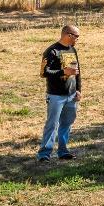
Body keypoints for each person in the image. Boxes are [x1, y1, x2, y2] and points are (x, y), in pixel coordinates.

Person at [38, 24, 82, 161]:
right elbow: (44, 72)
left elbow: (77, 72)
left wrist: (79, 89)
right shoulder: (52, 51)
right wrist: (63, 72)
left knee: (66, 124)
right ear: (68, 35)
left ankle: (63, 151)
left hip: (71, 95)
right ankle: (44, 154)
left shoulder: (72, 49)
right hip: (56, 95)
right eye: (76, 37)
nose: (77, 40)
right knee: (52, 124)